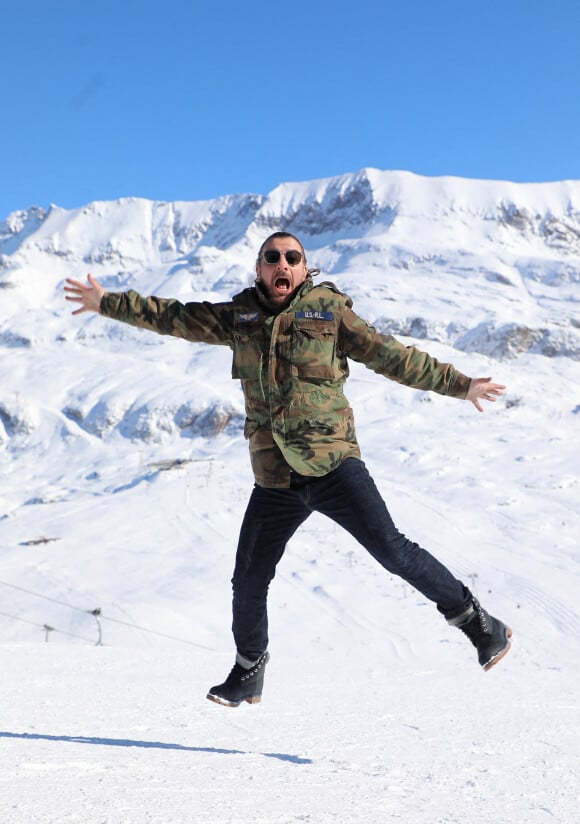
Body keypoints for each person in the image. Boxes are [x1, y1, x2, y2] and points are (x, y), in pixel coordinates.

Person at [65, 231, 512, 707]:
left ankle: (478, 622)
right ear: (259, 268)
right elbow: (173, 317)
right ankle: (249, 669)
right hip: (275, 479)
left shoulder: (330, 314)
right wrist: (106, 303)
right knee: (249, 579)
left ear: (304, 269)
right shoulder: (240, 318)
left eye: (291, 257)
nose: (282, 264)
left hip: (333, 466)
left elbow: (391, 356)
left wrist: (460, 385)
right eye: (272, 257)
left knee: (393, 550)